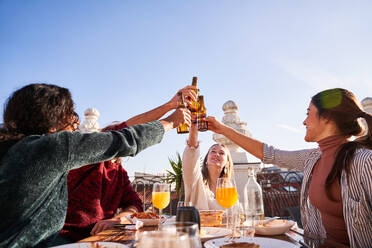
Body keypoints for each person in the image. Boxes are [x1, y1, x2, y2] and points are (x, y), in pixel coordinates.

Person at [0, 83, 192, 248]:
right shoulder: (55, 147)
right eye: (70, 115)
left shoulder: (19, 149)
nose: (75, 123)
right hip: (62, 240)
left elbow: (133, 202)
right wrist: (169, 121)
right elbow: (124, 135)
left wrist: (119, 218)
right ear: (51, 120)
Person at [206, 88, 372, 248]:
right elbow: (270, 154)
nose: (304, 121)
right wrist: (222, 129)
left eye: (308, 113)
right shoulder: (312, 158)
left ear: (327, 117)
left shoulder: (364, 162)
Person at [59, 86, 197, 242]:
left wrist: (118, 219)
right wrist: (169, 108)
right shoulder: (89, 157)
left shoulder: (118, 171)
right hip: (66, 239)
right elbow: (124, 130)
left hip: (102, 239)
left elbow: (134, 204)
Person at [182, 117, 234, 210]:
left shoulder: (229, 189)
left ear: (227, 163)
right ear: (206, 160)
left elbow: (237, 215)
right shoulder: (196, 183)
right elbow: (191, 157)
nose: (217, 154)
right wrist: (194, 127)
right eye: (213, 151)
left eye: (221, 153)